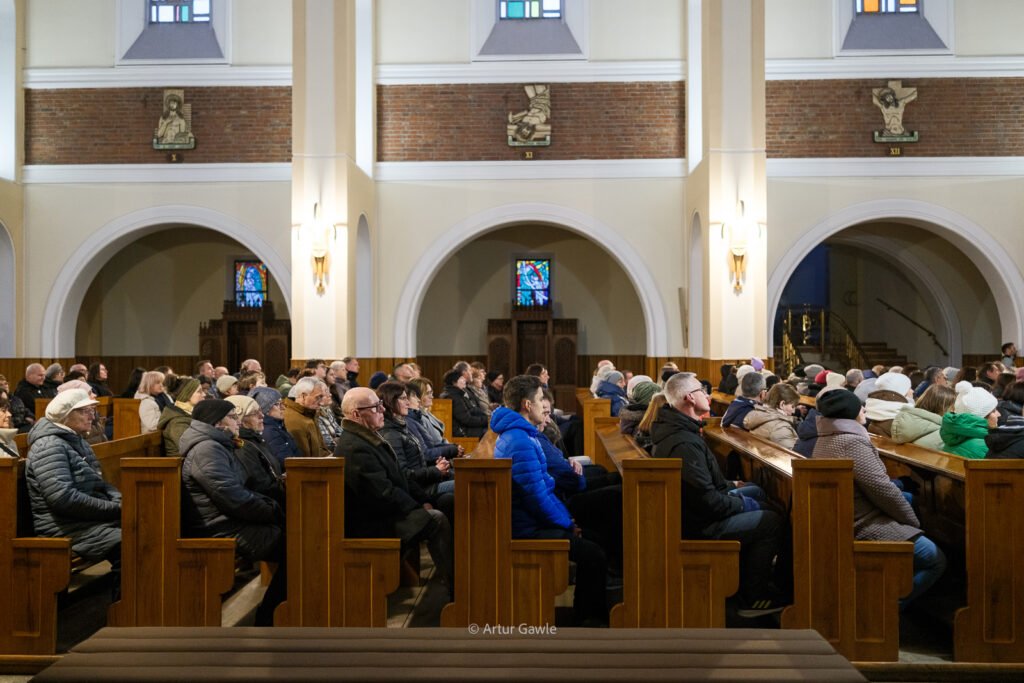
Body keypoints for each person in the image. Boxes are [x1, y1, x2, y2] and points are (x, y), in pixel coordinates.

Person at [650, 372, 790, 617]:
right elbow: (706, 501)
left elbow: (705, 482)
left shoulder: (682, 428)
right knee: (772, 520)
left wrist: (732, 486)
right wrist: (742, 504)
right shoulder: (684, 443)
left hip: (698, 510)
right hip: (699, 524)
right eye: (702, 390)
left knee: (756, 491)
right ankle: (752, 597)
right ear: (689, 398)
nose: (707, 394)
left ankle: (752, 575)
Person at [491, 375, 609, 626]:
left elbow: (545, 486)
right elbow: (536, 497)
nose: (544, 405)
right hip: (526, 528)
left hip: (531, 520)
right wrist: (566, 525)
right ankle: (589, 618)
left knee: (597, 539)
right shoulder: (520, 441)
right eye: (539, 399)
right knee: (594, 553)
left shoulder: (522, 434)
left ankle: (588, 611)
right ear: (527, 405)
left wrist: (567, 519)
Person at [812, 388, 945, 609]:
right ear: (850, 413)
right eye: (860, 407)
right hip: (862, 523)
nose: (864, 410)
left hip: (848, 515)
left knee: (908, 497)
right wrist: (912, 523)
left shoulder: (828, 436)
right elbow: (881, 489)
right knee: (935, 559)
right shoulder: (852, 442)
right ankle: (884, 609)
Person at [336, 387, 453, 591]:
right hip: (374, 521)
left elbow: (400, 477)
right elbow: (383, 494)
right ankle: (455, 589)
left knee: (445, 502)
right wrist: (418, 508)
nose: (383, 410)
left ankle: (459, 573)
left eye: (381, 405)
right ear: (356, 414)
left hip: (385, 511)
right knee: (436, 520)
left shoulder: (368, 437)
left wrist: (424, 500)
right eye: (376, 407)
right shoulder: (356, 447)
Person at [180, 399, 285, 626]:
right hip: (219, 527)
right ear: (218, 423)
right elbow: (234, 499)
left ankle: (279, 611)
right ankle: (270, 616)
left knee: (296, 539)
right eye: (232, 417)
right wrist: (273, 511)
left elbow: (238, 492)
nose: (238, 422)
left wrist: (271, 508)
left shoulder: (216, 445)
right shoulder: (207, 450)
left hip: (228, 520)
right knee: (297, 547)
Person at [26, 390, 122, 572]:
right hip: (66, 527)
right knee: (132, 546)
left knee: (145, 531)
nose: (92, 416)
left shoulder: (75, 440)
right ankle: (125, 591)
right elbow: (63, 499)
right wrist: (114, 508)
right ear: (66, 415)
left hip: (85, 521)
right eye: (85, 411)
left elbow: (99, 483)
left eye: (92, 411)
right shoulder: (49, 446)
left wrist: (118, 500)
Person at [377, 381, 454, 520]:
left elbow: (417, 461)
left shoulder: (401, 426)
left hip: (424, 483)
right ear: (390, 401)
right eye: (403, 398)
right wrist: (436, 470)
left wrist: (437, 466)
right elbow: (404, 475)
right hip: (419, 490)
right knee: (465, 485)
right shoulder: (391, 434)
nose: (408, 403)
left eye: (407, 398)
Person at [225, 395, 285, 505]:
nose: (262, 415)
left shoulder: (255, 439)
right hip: (269, 503)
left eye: (260, 411)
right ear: (240, 420)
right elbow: (260, 485)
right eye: (255, 413)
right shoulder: (241, 446)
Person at [940, 382, 998, 459]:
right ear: (983, 416)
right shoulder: (987, 445)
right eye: (994, 411)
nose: (998, 414)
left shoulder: (955, 436)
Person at [890, 384, 956, 450]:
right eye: (952, 407)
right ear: (942, 408)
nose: (954, 410)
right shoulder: (945, 437)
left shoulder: (901, 421)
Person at [250, 386, 300, 468]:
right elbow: (286, 462)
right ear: (265, 409)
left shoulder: (277, 425)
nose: (283, 408)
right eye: (277, 404)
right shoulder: (269, 431)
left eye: (282, 403)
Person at [158, 376, 206, 458]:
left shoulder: (190, 413)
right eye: (199, 391)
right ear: (187, 395)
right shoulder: (177, 422)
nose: (204, 394)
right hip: (183, 463)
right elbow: (192, 448)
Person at [743, 382, 800, 450]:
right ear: (782, 404)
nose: (793, 411)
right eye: (792, 406)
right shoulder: (780, 427)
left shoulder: (758, 415)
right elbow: (793, 454)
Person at [283, 377, 330, 458]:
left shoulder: (309, 414)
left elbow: (321, 450)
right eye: (318, 397)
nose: (321, 403)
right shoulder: (295, 421)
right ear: (304, 396)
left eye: (322, 397)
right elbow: (304, 461)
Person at [439, 369, 488, 438]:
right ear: (454, 382)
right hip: (461, 431)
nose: (465, 380)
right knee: (491, 431)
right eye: (461, 378)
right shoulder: (452, 396)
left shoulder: (459, 393)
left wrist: (487, 418)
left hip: (465, 427)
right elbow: (467, 420)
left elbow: (472, 410)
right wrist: (487, 421)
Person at [865, 372, 914, 438]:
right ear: (902, 391)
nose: (912, 391)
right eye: (909, 388)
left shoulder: (875, 414)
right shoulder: (901, 421)